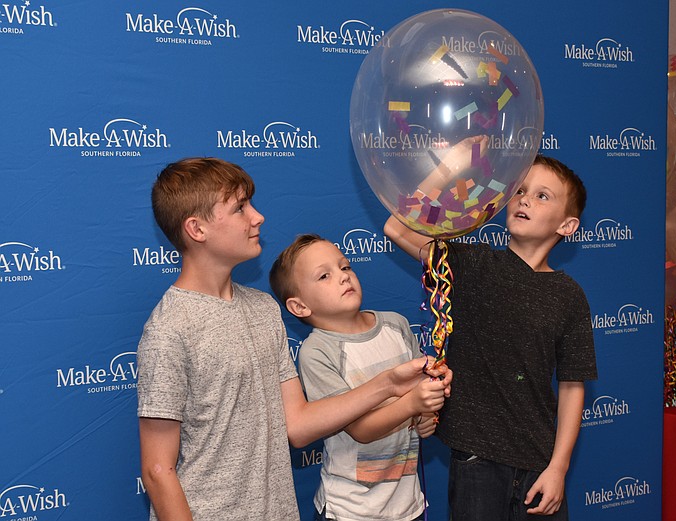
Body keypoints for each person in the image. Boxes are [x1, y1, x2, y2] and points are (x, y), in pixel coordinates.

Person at [136, 157, 450, 521]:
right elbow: (158, 471)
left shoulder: (263, 308)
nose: (257, 217)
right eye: (240, 208)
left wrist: (389, 384)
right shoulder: (169, 329)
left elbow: (299, 427)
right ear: (197, 229)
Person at [384, 152, 597, 520]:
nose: (525, 199)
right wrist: (450, 163)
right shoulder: (472, 264)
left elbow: (571, 385)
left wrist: (558, 468)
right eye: (520, 190)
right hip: (476, 462)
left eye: (542, 196)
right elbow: (397, 228)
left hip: (540, 464)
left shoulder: (569, 294)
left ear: (567, 226)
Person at [269, 234, 444, 521]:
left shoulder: (396, 325)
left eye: (345, 267)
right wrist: (413, 404)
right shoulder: (318, 352)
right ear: (299, 307)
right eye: (324, 276)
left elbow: (419, 398)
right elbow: (361, 430)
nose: (343, 277)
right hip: (350, 510)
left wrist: (427, 415)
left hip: (407, 503)